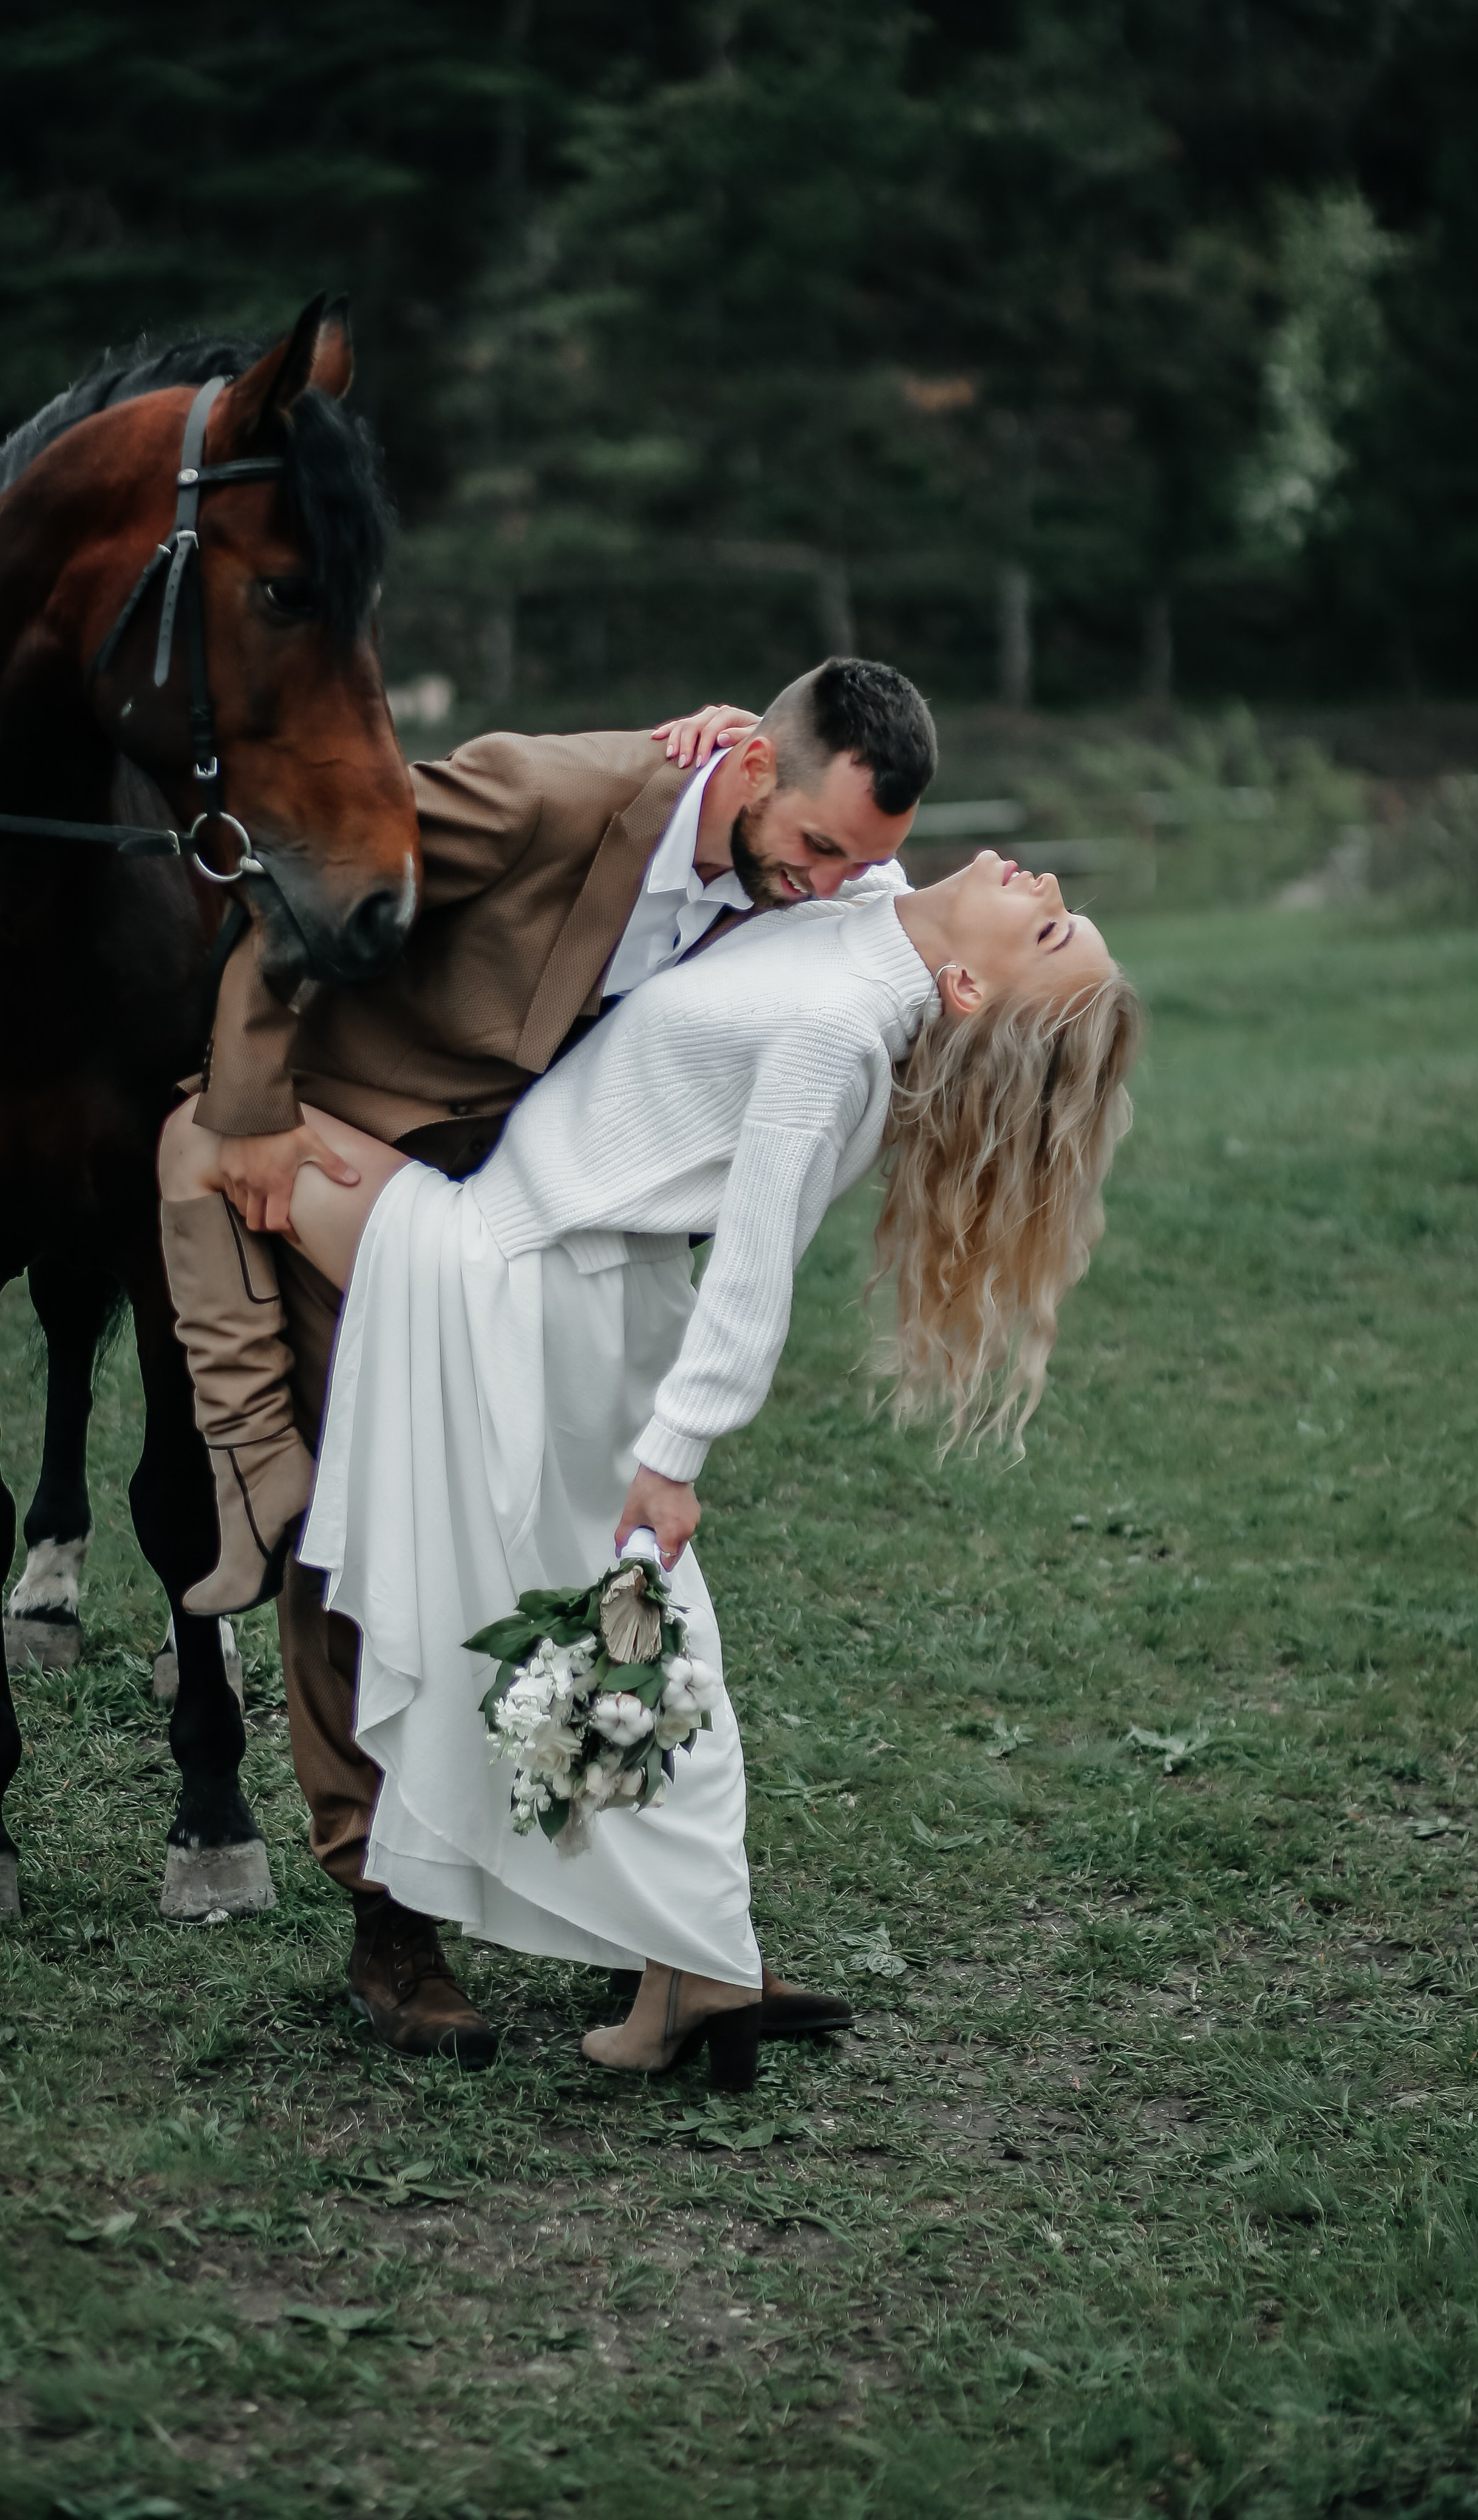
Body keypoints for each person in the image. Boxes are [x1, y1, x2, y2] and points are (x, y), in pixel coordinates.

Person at [160, 852, 1140, 2088]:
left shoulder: (837, 1035)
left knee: (201, 1134)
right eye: (1061, 908)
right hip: (591, 1290)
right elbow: (820, 849)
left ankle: (251, 1473)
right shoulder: (862, 924)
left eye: (1051, 931)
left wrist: (676, 1456)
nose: (1046, 884)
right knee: (649, 1636)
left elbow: (756, 1269)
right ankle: (705, 1963)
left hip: (514, 1277)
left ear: (962, 992)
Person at [160, 658, 938, 2059]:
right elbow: (303, 889)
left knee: (590, 1565)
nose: (830, 885)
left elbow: (907, 915)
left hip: (553, 1233)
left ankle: (634, 1914)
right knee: (364, 1533)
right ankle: (389, 1913)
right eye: (823, 847)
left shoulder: (812, 875)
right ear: (755, 769)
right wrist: (256, 1110)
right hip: (362, 1160)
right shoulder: (547, 793)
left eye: (861, 862)